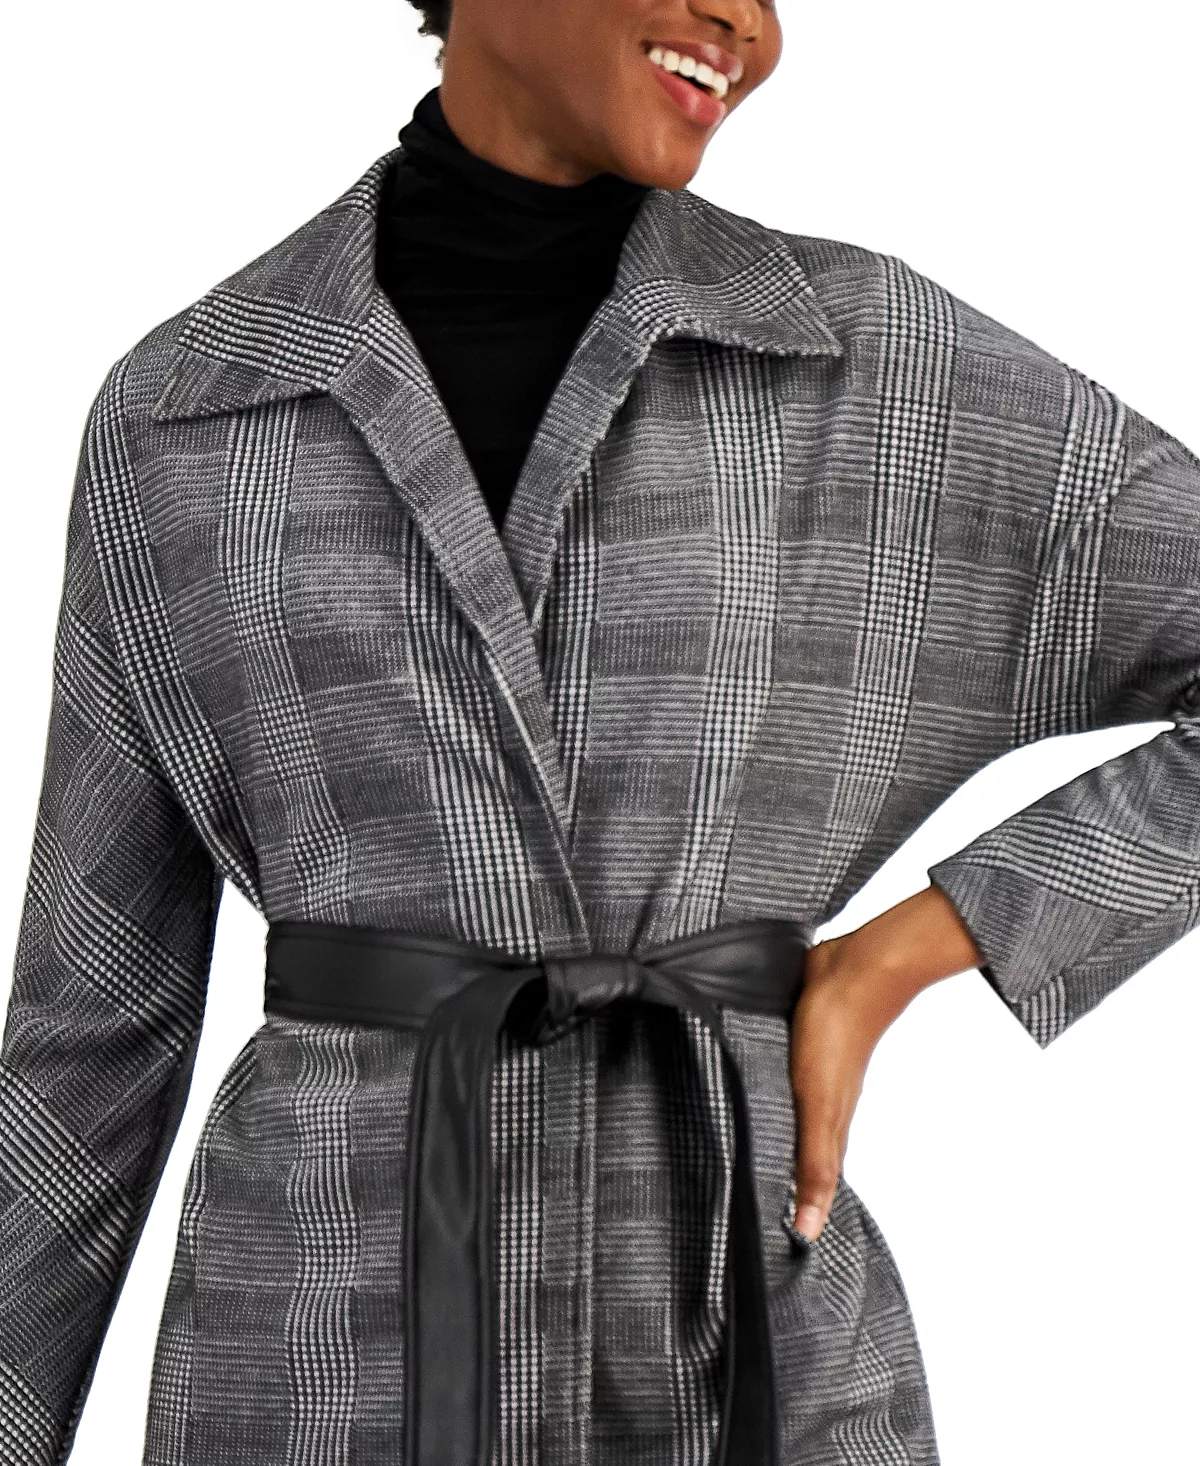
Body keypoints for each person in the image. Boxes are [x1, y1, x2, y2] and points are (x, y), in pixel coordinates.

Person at [1, 0, 1197, 1459]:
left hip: (736, 1341)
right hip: (321, 1363)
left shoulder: (870, 368)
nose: (741, 22)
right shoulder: (188, 411)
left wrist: (906, 954)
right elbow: (91, 1027)